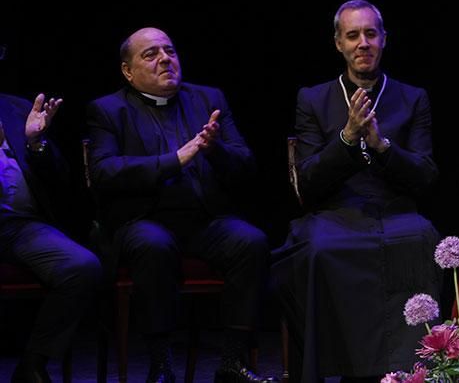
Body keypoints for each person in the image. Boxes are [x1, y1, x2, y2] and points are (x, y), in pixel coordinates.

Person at [85, 27, 275, 383]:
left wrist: (213, 149)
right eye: (151, 54)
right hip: (142, 221)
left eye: (169, 51)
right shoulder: (109, 110)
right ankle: (161, 364)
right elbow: (105, 172)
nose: (164, 59)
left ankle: (232, 362)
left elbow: (246, 166)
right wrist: (176, 159)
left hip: (204, 221)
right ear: (128, 71)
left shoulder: (208, 99)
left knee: (251, 242)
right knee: (153, 246)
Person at [271, 0, 440, 383]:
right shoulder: (313, 99)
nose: (362, 43)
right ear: (338, 44)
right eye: (352, 35)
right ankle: (336, 368)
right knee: (319, 250)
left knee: (421, 239)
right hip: (334, 213)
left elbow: (426, 177)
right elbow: (308, 181)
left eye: (370, 34)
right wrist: (347, 138)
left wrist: (382, 146)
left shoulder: (412, 97)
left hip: (395, 211)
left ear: (383, 39)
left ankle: (412, 371)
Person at [1, 92, 101, 383]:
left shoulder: (17, 109)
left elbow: (59, 178)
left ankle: (33, 363)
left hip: (20, 224)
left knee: (81, 266)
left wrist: (36, 143)